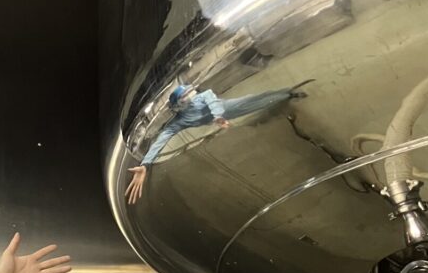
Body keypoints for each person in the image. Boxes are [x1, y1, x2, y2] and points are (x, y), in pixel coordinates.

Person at [125, 80, 314, 204]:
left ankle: (287, 92)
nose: (191, 95)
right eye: (186, 95)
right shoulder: (179, 122)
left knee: (253, 99)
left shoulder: (200, 97)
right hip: (223, 116)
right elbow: (161, 140)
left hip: (225, 108)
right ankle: (285, 95)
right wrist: (145, 165)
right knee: (257, 104)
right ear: (179, 104)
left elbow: (211, 98)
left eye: (190, 92)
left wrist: (217, 116)